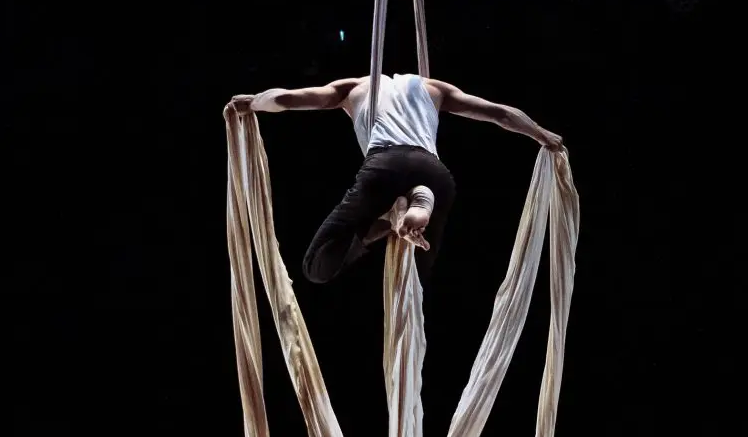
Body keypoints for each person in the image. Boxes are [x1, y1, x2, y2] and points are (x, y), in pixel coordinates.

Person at [226, 73, 564, 285]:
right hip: (433, 169)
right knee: (420, 278)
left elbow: (286, 99)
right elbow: (501, 113)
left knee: (317, 265)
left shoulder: (352, 88)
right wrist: (543, 134)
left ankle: (390, 220)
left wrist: (252, 102)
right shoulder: (435, 87)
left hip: (383, 166)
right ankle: (420, 202)